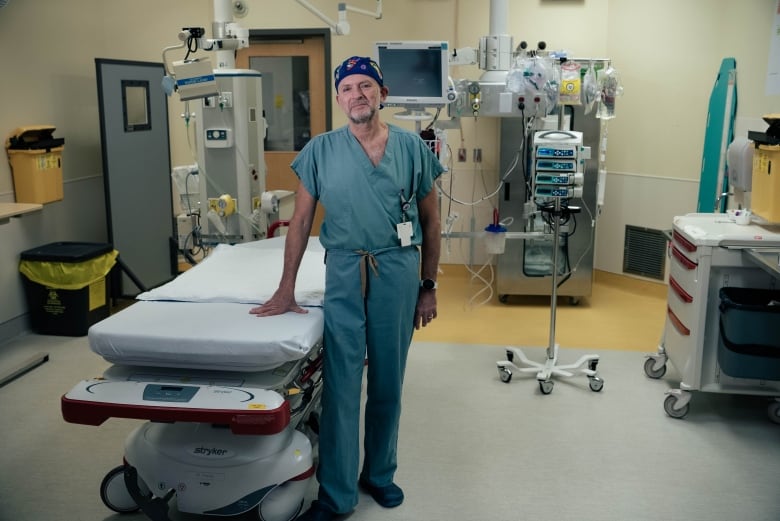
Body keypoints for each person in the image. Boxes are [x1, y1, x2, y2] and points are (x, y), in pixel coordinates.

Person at [249, 55, 443, 521]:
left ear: (382, 94)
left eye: (365, 86)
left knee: (388, 382)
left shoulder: (413, 149)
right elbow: (299, 223)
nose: (357, 95)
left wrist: (429, 286)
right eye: (347, 88)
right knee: (340, 385)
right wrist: (285, 289)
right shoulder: (320, 150)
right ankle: (337, 494)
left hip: (397, 271)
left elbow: (433, 223)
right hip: (343, 273)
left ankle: (379, 474)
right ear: (338, 99)